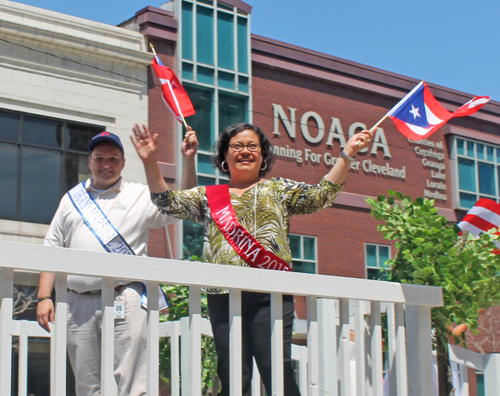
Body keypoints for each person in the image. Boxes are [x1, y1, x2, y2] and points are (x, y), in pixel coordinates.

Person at [131, 122, 373, 396]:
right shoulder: (209, 197)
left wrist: (348, 154)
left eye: (252, 146)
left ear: (263, 155)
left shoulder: (278, 189)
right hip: (223, 295)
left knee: (277, 372)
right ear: (224, 156)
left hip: (270, 296)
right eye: (236, 146)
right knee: (233, 375)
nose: (245, 151)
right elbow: (167, 203)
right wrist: (150, 162)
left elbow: (322, 195)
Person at [36, 128, 199, 396]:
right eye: (99, 158)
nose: (106, 164)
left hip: (126, 296)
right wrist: (43, 295)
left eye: (113, 158)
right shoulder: (71, 199)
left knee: (135, 383)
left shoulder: (138, 193)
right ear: (90, 162)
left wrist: (188, 161)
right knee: (87, 386)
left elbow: (181, 205)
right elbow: (52, 244)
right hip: (77, 301)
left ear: (123, 163)